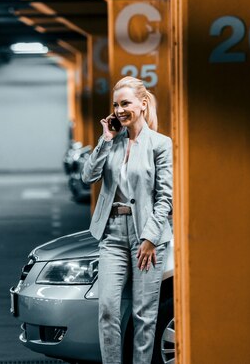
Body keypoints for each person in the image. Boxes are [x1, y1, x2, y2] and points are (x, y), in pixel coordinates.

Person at [82, 76, 173, 364]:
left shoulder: (160, 144)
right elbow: (88, 176)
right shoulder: (111, 142)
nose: (120, 110)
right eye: (116, 105)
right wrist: (105, 140)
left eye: (126, 103)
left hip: (147, 237)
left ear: (143, 104)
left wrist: (150, 239)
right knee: (108, 308)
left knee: (144, 314)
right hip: (112, 235)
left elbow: (165, 198)